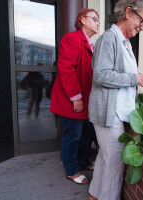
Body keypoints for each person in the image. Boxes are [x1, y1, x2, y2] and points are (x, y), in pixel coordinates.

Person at [88, 0, 143, 199]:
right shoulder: (110, 39)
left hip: (118, 111)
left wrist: (139, 77)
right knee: (115, 162)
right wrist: (135, 78)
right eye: (141, 21)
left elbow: (120, 74)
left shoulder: (125, 42)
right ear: (128, 12)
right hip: (110, 112)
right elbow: (101, 75)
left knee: (105, 157)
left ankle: (94, 195)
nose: (142, 27)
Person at [50, 8, 100, 184]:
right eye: (94, 19)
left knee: (87, 133)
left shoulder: (90, 43)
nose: (98, 23)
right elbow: (67, 70)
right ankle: (71, 170)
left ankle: (83, 162)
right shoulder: (71, 38)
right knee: (73, 135)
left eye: (98, 20)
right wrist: (75, 97)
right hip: (72, 100)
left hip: (86, 101)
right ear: (82, 20)